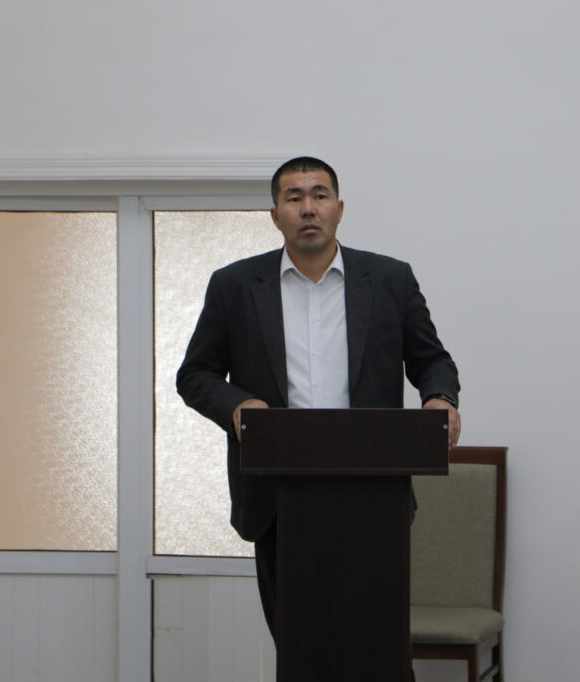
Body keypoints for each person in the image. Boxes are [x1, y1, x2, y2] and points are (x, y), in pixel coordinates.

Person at [176, 156, 461, 640]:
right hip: (277, 497)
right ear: (275, 215)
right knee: (298, 645)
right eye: (294, 198)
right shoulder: (235, 286)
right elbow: (195, 374)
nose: (308, 208)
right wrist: (237, 407)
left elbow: (432, 359)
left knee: (377, 648)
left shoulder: (389, 280)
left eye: (319, 195)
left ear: (339, 209)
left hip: (373, 492)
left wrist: (439, 398)